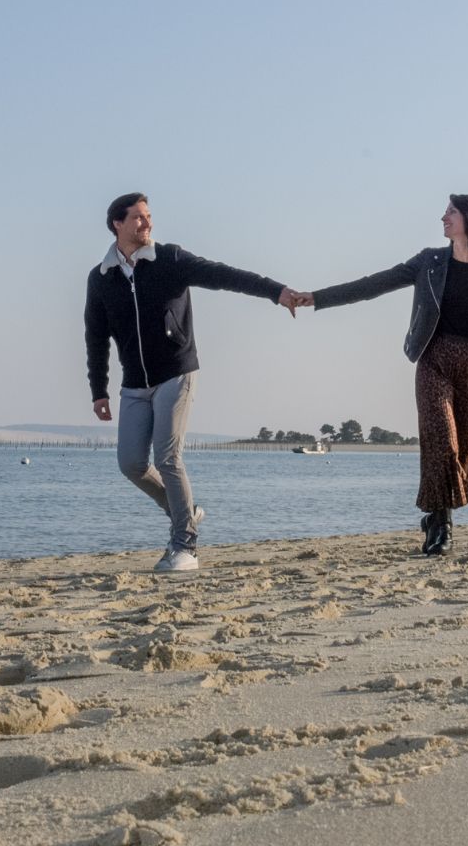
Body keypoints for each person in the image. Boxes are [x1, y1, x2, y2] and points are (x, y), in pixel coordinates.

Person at [85, 193, 305, 572]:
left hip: (176, 371)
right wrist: (99, 389)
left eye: (149, 216)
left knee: (168, 458)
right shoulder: (101, 277)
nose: (147, 223)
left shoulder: (170, 259)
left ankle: (185, 546)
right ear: (117, 225)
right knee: (131, 463)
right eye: (138, 218)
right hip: (135, 382)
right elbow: (95, 334)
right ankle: (185, 511)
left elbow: (225, 275)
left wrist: (276, 291)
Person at [310, 194, 468, 555]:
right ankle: (441, 527)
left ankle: (433, 518)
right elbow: (373, 284)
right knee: (442, 441)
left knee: (464, 454)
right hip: (434, 361)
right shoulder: (429, 262)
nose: (443, 217)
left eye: (451, 212)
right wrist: (316, 298)